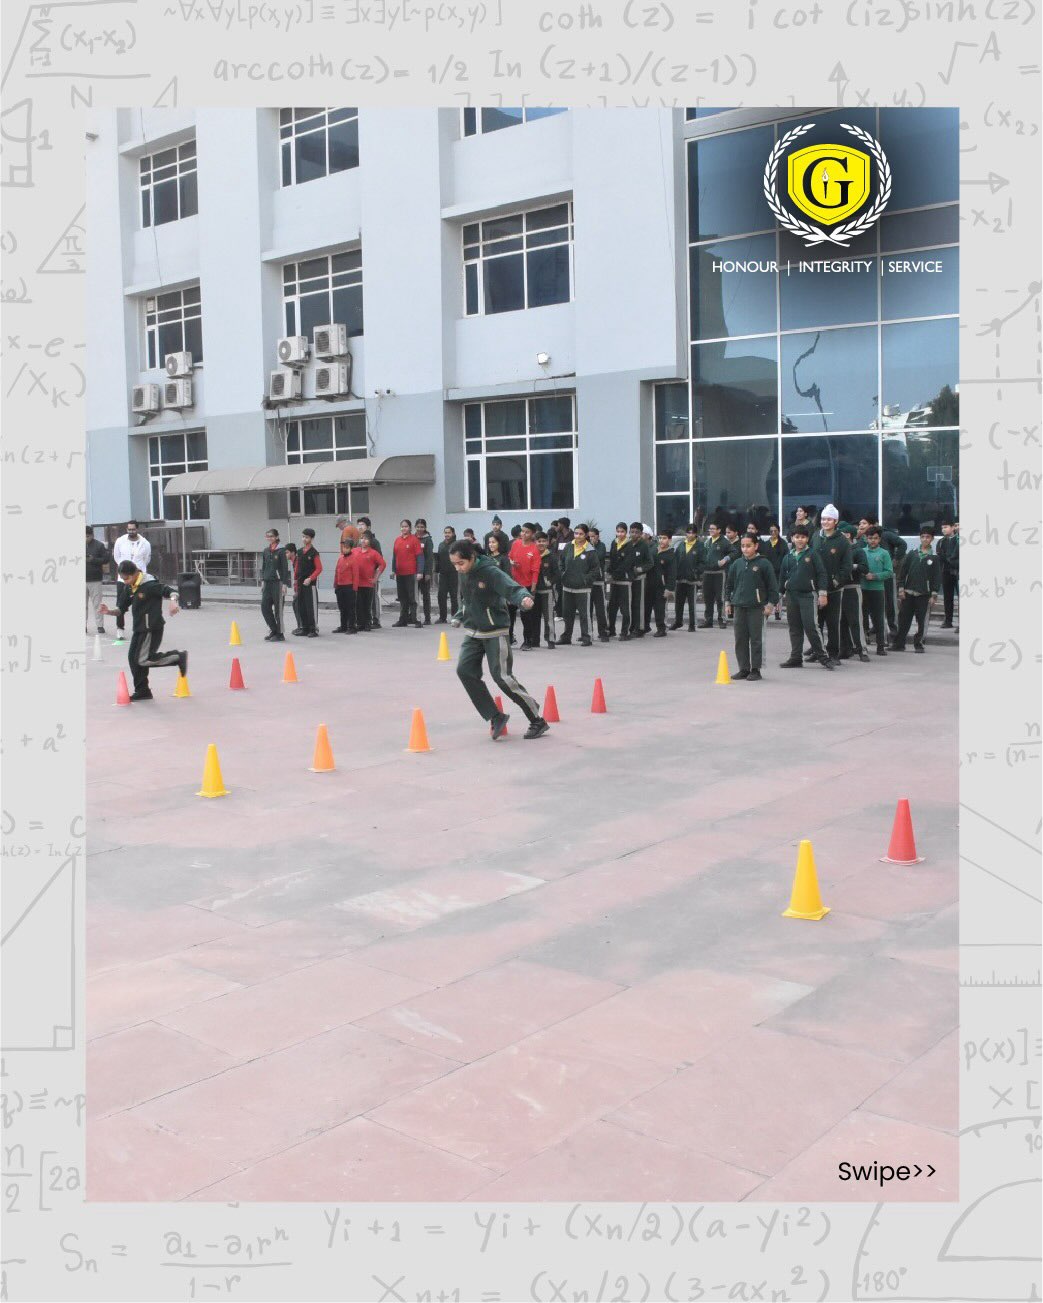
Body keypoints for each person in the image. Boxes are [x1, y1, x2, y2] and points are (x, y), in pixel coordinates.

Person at [448, 540, 550, 741]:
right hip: (473, 632)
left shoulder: (490, 572)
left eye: (461, 563)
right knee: (464, 671)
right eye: (454, 564)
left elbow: (512, 587)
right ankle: (496, 716)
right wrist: (460, 615)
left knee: (502, 678)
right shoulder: (463, 573)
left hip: (495, 631)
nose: (458, 568)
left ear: (472, 558)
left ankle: (537, 719)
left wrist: (523, 598)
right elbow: (467, 599)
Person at [101, 562, 186, 701]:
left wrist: (173, 601)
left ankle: (178, 657)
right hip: (139, 629)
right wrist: (109, 611)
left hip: (151, 628)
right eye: (123, 579)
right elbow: (120, 609)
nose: (125, 582)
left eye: (127, 578)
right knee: (133, 659)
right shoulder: (129, 587)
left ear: (135, 573)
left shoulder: (149, 585)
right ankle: (142, 691)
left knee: (142, 659)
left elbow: (172, 591)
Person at [725, 532, 779, 680]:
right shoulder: (737, 564)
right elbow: (729, 585)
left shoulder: (764, 564)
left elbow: (773, 587)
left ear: (756, 546)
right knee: (740, 639)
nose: (745, 549)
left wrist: (770, 604)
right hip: (739, 606)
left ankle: (756, 669)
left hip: (757, 607)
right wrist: (728, 602)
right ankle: (743, 668)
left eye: (748, 546)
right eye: (743, 546)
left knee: (756, 639)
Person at [778, 524, 832, 670]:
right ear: (792, 538)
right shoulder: (788, 557)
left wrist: (822, 593)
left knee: (811, 626)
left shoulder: (813, 554)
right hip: (792, 596)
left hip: (808, 595)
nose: (800, 540)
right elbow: (782, 577)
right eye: (797, 537)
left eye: (803, 537)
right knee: (794, 628)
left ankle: (823, 657)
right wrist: (779, 595)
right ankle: (796, 658)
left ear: (807, 539)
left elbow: (822, 574)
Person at [811, 505, 852, 665]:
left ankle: (833, 654)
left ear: (835, 521)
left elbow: (847, 566)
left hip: (833, 590)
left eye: (828, 519)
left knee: (833, 623)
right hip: (816, 588)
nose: (825, 522)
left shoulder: (842, 541)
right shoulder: (816, 536)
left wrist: (836, 581)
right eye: (823, 519)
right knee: (816, 623)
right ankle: (818, 652)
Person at [891, 525, 942, 653]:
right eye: (923, 537)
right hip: (908, 592)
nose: (925, 539)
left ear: (932, 539)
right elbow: (903, 572)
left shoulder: (934, 557)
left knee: (921, 621)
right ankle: (899, 644)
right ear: (920, 538)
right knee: (903, 619)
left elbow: (936, 576)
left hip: (924, 594)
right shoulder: (912, 553)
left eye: (928, 537)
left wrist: (934, 594)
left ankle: (918, 644)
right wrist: (901, 588)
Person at [557, 522, 600, 647]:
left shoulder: (590, 550)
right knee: (567, 614)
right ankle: (566, 637)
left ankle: (587, 637)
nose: (578, 536)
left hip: (582, 589)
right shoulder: (568, 546)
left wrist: (585, 580)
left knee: (584, 615)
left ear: (586, 535)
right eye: (576, 533)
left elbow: (595, 570)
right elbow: (561, 562)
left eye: (581, 534)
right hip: (567, 587)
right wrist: (563, 574)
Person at [837, 523, 871, 661]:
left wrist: (851, 566)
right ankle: (844, 649)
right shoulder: (838, 549)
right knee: (840, 621)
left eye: (841, 534)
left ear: (848, 535)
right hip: (839, 588)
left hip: (852, 588)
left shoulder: (858, 551)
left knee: (855, 620)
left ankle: (862, 650)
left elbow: (865, 568)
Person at [112, 521, 151, 633]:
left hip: (139, 579)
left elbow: (146, 560)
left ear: (137, 529)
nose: (131, 531)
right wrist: (124, 570)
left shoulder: (145, 543)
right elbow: (117, 557)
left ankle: (140, 628)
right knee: (120, 604)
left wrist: (136, 571)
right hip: (123, 579)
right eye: (129, 529)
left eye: (133, 529)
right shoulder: (120, 541)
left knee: (140, 604)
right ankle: (120, 628)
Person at [860, 525, 893, 656]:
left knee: (878, 619)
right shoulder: (861, 552)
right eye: (870, 538)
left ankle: (880, 646)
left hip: (877, 589)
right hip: (862, 589)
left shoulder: (884, 553)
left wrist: (875, 576)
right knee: (862, 618)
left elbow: (889, 572)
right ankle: (862, 645)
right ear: (866, 538)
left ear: (879, 539)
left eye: (875, 538)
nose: (872, 541)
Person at [509, 523, 543, 650]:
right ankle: (509, 638)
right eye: (522, 531)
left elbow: (535, 571)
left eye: (527, 532)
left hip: (526, 587)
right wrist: (512, 563)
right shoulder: (515, 543)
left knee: (526, 615)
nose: (523, 534)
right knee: (509, 613)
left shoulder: (534, 549)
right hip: (513, 585)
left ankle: (528, 641)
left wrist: (533, 589)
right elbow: (510, 557)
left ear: (532, 534)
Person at [486, 533, 519, 645]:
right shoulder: (486, 558)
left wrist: (508, 594)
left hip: (501, 594)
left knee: (506, 617)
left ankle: (509, 637)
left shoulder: (504, 559)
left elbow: (507, 577)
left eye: (493, 542)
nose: (491, 544)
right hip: (490, 593)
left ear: (499, 544)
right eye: (489, 542)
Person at [260, 528, 291, 641]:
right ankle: (273, 630)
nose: (269, 538)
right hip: (267, 583)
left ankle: (280, 634)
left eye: (272, 536)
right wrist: (263, 581)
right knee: (264, 607)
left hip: (278, 583)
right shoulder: (266, 551)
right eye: (267, 536)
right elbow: (264, 567)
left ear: (277, 537)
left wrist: (284, 584)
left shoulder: (281, 551)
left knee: (278, 610)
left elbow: (285, 568)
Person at [391, 518, 423, 628]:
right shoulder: (397, 540)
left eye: (406, 526)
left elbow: (420, 557)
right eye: (402, 526)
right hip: (400, 574)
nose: (404, 528)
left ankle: (416, 620)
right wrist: (393, 570)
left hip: (411, 573)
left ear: (410, 528)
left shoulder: (414, 540)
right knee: (402, 598)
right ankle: (403, 620)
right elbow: (394, 557)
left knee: (413, 598)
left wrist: (420, 572)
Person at [352, 533, 386, 631]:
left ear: (370, 541)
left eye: (366, 539)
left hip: (368, 584)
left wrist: (375, 578)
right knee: (358, 604)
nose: (363, 540)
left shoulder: (373, 553)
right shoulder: (355, 551)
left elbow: (382, 564)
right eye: (361, 538)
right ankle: (360, 623)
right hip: (357, 583)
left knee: (367, 605)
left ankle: (367, 623)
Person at [606, 522, 634, 640]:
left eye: (622, 531)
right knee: (611, 608)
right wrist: (608, 571)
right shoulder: (614, 543)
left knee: (625, 609)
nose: (620, 534)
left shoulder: (630, 545)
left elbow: (627, 564)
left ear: (626, 532)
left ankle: (625, 632)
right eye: (618, 531)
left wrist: (614, 574)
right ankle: (611, 630)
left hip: (624, 580)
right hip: (614, 581)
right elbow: (612, 560)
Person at [626, 521, 654, 638]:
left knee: (639, 604)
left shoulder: (644, 545)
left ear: (641, 533)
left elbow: (650, 563)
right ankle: (632, 627)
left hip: (640, 579)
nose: (634, 534)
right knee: (631, 604)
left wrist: (640, 569)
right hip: (629, 579)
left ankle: (640, 628)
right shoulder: (628, 544)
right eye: (632, 532)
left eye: (636, 532)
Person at [699, 521, 729, 628]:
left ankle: (722, 620)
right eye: (710, 529)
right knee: (707, 598)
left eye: (713, 529)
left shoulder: (724, 542)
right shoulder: (707, 541)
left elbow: (734, 552)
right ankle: (708, 620)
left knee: (720, 598)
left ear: (719, 530)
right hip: (707, 573)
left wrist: (725, 559)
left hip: (719, 573)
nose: (711, 530)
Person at [672, 523, 701, 631]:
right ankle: (678, 622)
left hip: (692, 580)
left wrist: (696, 572)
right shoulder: (681, 545)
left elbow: (703, 562)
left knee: (691, 604)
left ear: (696, 534)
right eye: (688, 532)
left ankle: (692, 624)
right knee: (678, 603)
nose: (690, 535)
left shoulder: (700, 546)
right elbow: (675, 560)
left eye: (692, 533)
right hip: (680, 579)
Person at [295, 528, 322, 637]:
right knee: (301, 606)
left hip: (310, 584)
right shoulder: (299, 552)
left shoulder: (314, 553)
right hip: (301, 583)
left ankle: (313, 629)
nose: (304, 539)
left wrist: (310, 578)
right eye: (303, 537)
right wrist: (296, 581)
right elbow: (297, 568)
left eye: (306, 537)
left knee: (311, 607)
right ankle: (305, 628)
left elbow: (319, 568)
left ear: (312, 538)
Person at [356, 516, 383, 628]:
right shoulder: (359, 542)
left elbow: (380, 560)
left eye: (362, 524)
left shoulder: (374, 542)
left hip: (371, 576)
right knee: (363, 600)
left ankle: (376, 620)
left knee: (373, 598)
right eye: (358, 524)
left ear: (369, 527)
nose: (360, 527)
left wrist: (375, 574)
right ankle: (364, 621)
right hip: (360, 578)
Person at [650, 530, 678, 637]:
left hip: (661, 586)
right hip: (650, 584)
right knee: (647, 607)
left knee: (659, 608)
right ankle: (645, 627)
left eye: (664, 538)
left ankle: (661, 629)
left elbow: (672, 573)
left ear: (669, 540)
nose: (661, 540)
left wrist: (669, 588)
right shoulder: (654, 551)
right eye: (660, 538)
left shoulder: (671, 555)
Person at [534, 532, 558, 648]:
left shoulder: (552, 556)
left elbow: (557, 574)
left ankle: (550, 639)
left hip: (547, 592)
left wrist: (550, 582)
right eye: (539, 541)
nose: (541, 543)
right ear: (535, 542)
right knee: (534, 617)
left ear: (547, 542)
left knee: (548, 617)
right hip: (533, 592)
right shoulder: (532, 555)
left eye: (544, 541)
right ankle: (535, 640)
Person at [587, 526, 611, 641]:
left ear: (597, 536)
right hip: (588, 582)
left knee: (601, 609)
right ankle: (588, 633)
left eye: (593, 536)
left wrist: (592, 547)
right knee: (588, 609)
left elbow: (597, 556)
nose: (591, 538)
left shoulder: (601, 546)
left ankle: (603, 632)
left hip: (599, 581)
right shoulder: (586, 546)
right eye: (589, 536)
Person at [85, 526, 110, 635]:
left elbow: (106, 559)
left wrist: (93, 559)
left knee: (97, 604)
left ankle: (100, 625)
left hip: (95, 579)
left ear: (92, 535)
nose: (86, 538)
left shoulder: (99, 545)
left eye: (87, 536)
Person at [763, 522, 788, 620]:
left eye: (775, 531)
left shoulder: (783, 544)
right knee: (767, 591)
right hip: (768, 572)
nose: (773, 533)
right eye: (771, 531)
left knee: (778, 592)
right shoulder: (766, 544)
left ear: (779, 531)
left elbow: (786, 557)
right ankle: (766, 611)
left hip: (779, 573)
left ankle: (778, 612)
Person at [937, 519, 959, 628]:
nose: (943, 530)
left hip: (957, 571)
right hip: (946, 572)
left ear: (953, 527)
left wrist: (949, 559)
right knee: (947, 597)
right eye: (942, 528)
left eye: (946, 527)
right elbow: (940, 556)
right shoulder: (941, 542)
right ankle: (948, 620)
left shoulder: (958, 540)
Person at [332, 539, 358, 633]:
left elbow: (356, 574)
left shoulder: (354, 559)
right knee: (342, 608)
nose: (344, 549)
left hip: (349, 587)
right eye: (343, 547)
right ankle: (343, 626)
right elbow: (336, 572)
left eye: (346, 548)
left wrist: (354, 588)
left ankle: (352, 627)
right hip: (340, 586)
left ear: (351, 548)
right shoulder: (340, 558)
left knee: (350, 608)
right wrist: (335, 585)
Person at [435, 526, 459, 623]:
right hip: (443, 574)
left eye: (449, 532)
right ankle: (442, 617)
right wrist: (436, 570)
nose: (447, 534)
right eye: (445, 532)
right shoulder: (441, 545)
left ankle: (455, 617)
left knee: (454, 596)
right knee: (441, 596)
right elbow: (438, 558)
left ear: (453, 533)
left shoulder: (456, 545)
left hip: (454, 573)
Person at [414, 518, 435, 625]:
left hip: (424, 572)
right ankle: (414, 617)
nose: (419, 529)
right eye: (418, 527)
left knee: (425, 595)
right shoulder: (412, 538)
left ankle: (427, 618)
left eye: (422, 527)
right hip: (414, 571)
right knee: (413, 595)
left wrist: (427, 573)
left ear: (425, 528)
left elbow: (429, 558)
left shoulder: (428, 540)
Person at [284, 543, 301, 633]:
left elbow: (298, 576)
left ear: (293, 552)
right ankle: (300, 626)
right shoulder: (294, 562)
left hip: (300, 588)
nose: (285, 554)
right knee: (295, 605)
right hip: (298, 588)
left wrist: (297, 590)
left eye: (287, 552)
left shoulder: (298, 561)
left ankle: (301, 627)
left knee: (297, 606)